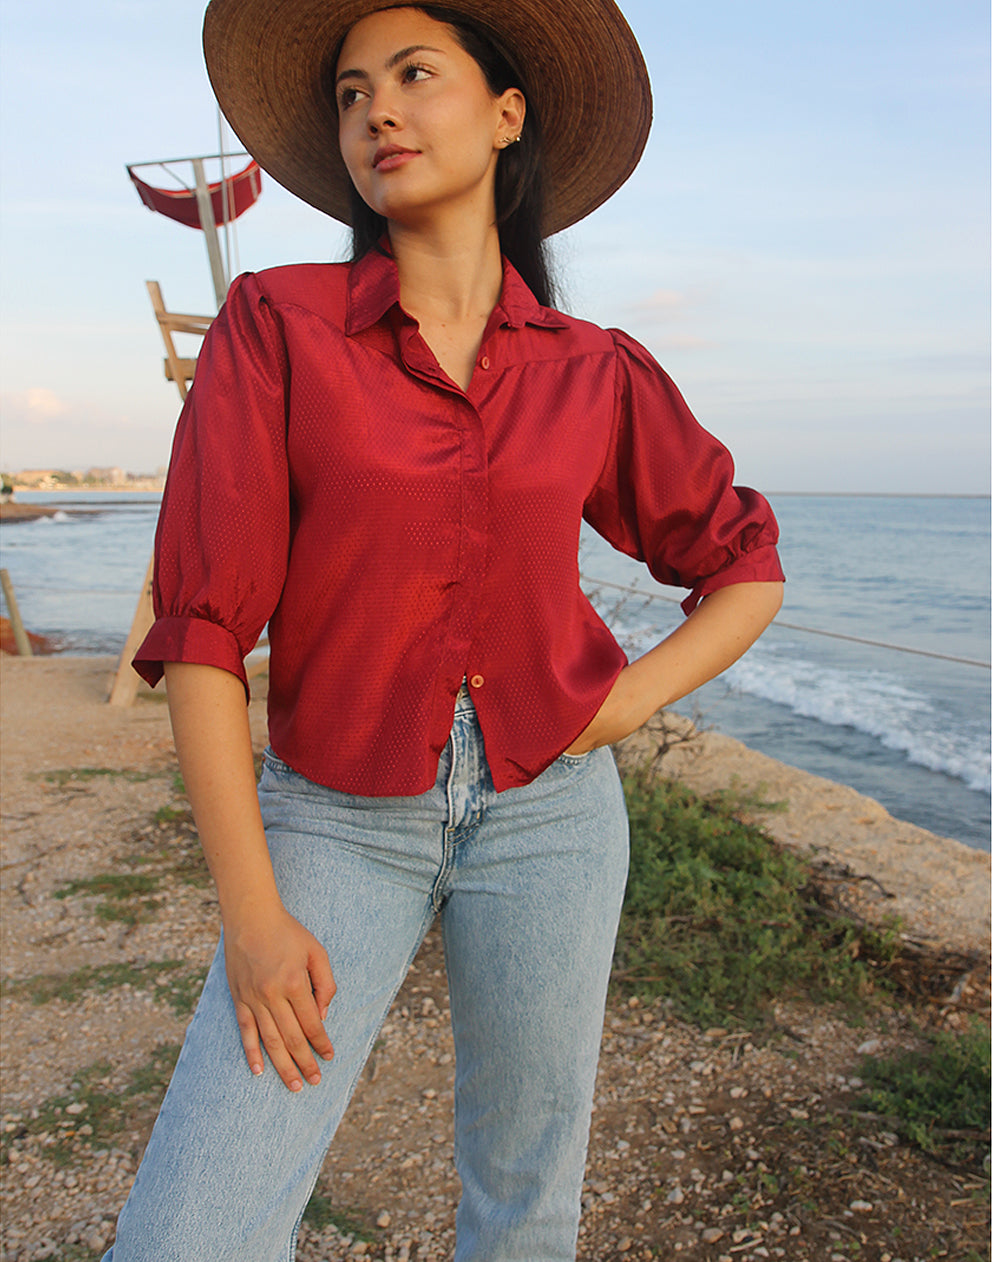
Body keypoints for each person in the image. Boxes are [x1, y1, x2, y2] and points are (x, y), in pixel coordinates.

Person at [106, 1, 785, 1257]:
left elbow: (742, 559)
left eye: (414, 76)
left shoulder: (594, 368)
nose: (376, 111)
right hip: (333, 820)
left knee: (526, 1200)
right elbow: (204, 629)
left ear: (505, 113)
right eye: (353, 92)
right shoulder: (277, 327)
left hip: (552, 816)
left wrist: (625, 701)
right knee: (190, 1229)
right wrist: (252, 917)